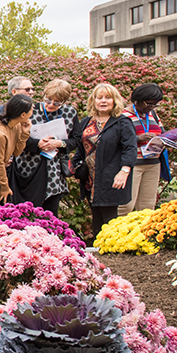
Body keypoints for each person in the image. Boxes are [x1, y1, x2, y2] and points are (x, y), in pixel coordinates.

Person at [71, 83, 137, 238]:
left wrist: (124, 171)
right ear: (93, 101)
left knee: (109, 216)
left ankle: (111, 252)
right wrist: (75, 167)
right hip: (90, 178)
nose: (103, 101)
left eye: (108, 98)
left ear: (115, 101)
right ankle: (97, 252)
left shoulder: (122, 122)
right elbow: (80, 148)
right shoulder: (86, 122)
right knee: (95, 214)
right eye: (99, 98)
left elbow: (130, 149)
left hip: (112, 176)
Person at [9, 79, 80, 216]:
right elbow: (16, 136)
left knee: (49, 215)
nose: (51, 105)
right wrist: (37, 144)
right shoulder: (30, 110)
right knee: (26, 214)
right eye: (48, 100)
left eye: (57, 102)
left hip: (54, 173)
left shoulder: (70, 113)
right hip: (28, 169)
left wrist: (60, 143)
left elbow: (76, 139)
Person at [118, 83, 168, 216]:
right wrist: (138, 138)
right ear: (137, 99)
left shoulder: (153, 115)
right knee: (126, 205)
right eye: (148, 103)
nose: (151, 107)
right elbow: (115, 139)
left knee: (147, 206)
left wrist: (166, 140)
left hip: (153, 164)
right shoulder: (122, 115)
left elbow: (161, 132)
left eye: (154, 104)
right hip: (133, 164)